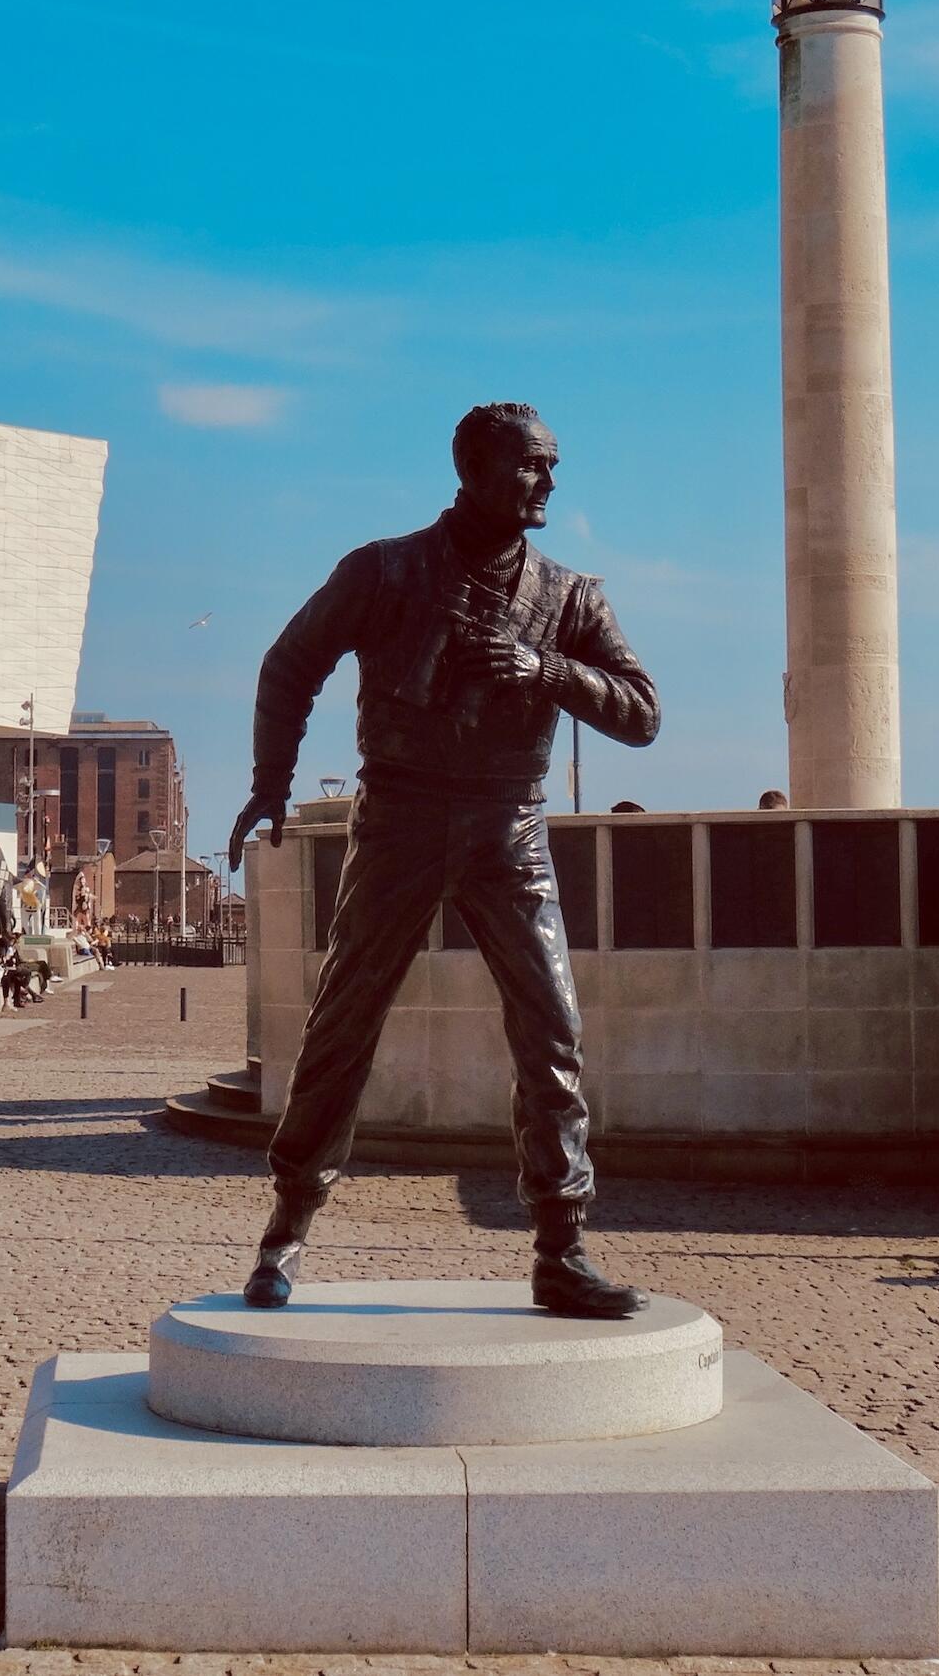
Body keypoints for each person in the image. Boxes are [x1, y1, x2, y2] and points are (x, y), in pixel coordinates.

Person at [228, 402, 659, 1319]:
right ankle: (285, 1232)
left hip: (512, 824)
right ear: (472, 469)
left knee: (552, 1032)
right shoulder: (383, 569)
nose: (547, 482)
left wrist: (547, 672)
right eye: (531, 466)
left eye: (552, 466)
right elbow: (289, 663)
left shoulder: (572, 594)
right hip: (402, 817)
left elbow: (641, 714)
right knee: (343, 1022)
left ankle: (560, 1248)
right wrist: (272, 780)